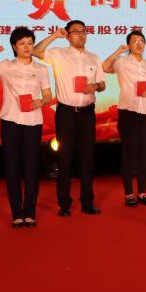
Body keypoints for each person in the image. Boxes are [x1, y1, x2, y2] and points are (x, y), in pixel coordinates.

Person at [0, 27, 52, 227]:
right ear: (14, 46)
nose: (27, 47)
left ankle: (30, 212)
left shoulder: (41, 69)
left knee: (31, 168)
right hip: (10, 121)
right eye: (22, 43)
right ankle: (17, 214)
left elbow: (48, 94)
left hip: (33, 121)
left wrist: (41, 102)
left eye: (30, 43)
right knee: (12, 167)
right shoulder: (6, 65)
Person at [33, 21, 105, 217]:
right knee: (64, 159)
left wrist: (95, 86)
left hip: (87, 113)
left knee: (87, 159)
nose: (81, 35)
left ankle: (87, 202)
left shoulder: (93, 58)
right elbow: (36, 51)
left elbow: (102, 84)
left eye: (84, 31)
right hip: (66, 113)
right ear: (68, 35)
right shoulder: (58, 54)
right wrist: (54, 36)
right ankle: (64, 203)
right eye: (76, 32)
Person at [102, 31, 146, 207]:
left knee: (145, 152)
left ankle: (142, 192)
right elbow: (104, 67)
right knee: (129, 152)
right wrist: (118, 51)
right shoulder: (121, 62)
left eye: (141, 41)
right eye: (135, 41)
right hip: (128, 110)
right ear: (129, 45)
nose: (139, 44)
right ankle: (129, 193)